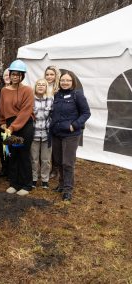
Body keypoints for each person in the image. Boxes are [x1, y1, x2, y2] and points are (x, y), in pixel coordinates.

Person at [50, 70, 91, 201]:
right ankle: (61, 184)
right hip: (56, 133)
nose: (65, 82)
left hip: (71, 134)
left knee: (68, 162)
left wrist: (74, 125)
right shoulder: (56, 95)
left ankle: (68, 189)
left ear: (72, 82)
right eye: (63, 80)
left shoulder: (77, 95)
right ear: (59, 82)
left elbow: (86, 113)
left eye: (68, 80)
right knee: (58, 161)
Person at [0, 59, 34, 196]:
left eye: (18, 74)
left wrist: (12, 127)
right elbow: (1, 108)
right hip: (9, 125)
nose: (15, 77)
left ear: (22, 76)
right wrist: (2, 122)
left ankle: (26, 184)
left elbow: (26, 111)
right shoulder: (4, 90)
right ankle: (14, 183)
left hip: (24, 125)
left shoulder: (28, 90)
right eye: (13, 74)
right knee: (12, 154)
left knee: (23, 155)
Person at [30, 79, 53, 189]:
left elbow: (53, 115)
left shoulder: (50, 99)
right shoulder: (30, 99)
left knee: (46, 159)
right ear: (35, 86)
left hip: (46, 134)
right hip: (33, 133)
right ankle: (34, 179)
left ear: (46, 87)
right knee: (34, 158)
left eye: (43, 85)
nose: (40, 86)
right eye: (38, 84)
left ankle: (45, 180)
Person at [44, 65, 61, 179]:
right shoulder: (42, 86)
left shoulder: (58, 90)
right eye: (47, 74)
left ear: (56, 76)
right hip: (43, 119)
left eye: (51, 74)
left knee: (54, 146)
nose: (49, 77)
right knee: (45, 145)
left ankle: (55, 169)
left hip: (55, 120)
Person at [0, 68, 11, 178]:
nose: (8, 77)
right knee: (2, 148)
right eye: (6, 75)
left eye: (10, 75)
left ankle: (11, 170)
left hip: (12, 124)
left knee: (10, 148)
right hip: (1, 123)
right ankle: (4, 169)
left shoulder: (17, 90)